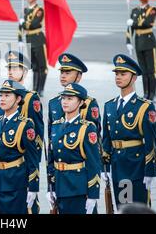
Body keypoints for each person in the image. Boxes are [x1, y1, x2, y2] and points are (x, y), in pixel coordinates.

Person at [101, 54, 156, 207]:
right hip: (117, 164)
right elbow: (105, 139)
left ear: (134, 78)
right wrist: (104, 167)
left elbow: (151, 142)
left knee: (139, 207)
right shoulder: (110, 106)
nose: (118, 77)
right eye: (117, 74)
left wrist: (150, 171)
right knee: (122, 207)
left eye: (123, 74)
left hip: (136, 165)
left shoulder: (145, 106)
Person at [0, 51, 44, 213]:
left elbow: (37, 136)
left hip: (20, 165)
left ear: (25, 72)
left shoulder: (30, 98)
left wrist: (33, 172)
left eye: (15, 68)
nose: (10, 71)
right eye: (9, 67)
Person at [46, 83, 101, 214]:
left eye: (70, 99)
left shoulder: (87, 128)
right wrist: (50, 188)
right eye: (64, 98)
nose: (65, 102)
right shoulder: (55, 126)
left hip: (78, 189)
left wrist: (93, 195)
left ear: (81, 102)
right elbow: (51, 160)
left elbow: (93, 163)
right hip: (59, 186)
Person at [0, 80, 39, 214]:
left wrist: (33, 188)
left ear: (18, 99)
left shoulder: (25, 124)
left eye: (7, 95)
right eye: (1, 95)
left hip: (17, 182)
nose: (2, 99)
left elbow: (32, 159)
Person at [48, 53, 101, 133]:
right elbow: (51, 134)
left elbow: (94, 134)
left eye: (67, 73)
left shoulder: (89, 103)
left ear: (79, 76)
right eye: (62, 72)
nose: (63, 76)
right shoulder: (53, 102)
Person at [126, 0, 156, 101]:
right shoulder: (135, 10)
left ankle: (152, 93)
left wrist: (133, 23)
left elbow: (147, 23)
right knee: (143, 70)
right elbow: (130, 28)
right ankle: (146, 93)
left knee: (151, 70)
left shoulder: (152, 10)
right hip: (138, 42)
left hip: (149, 42)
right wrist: (128, 41)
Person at [18, 0, 48, 96]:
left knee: (42, 66)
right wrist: (19, 39)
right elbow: (20, 26)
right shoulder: (25, 10)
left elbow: (34, 24)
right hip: (29, 40)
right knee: (34, 66)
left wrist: (23, 23)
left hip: (38, 39)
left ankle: (41, 89)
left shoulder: (39, 10)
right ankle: (35, 88)